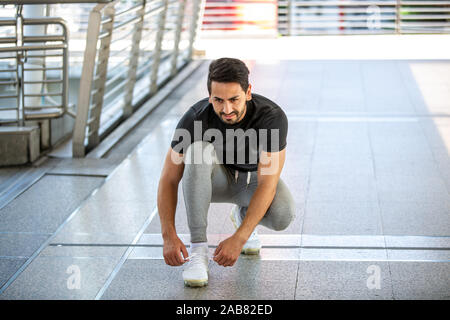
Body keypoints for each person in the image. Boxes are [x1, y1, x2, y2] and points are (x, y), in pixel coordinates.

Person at [157, 57, 295, 287]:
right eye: (218, 100)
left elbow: (268, 184)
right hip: (213, 182)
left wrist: (240, 238)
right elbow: (168, 179)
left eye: (234, 99)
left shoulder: (271, 117)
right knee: (198, 150)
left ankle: (242, 216)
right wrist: (168, 235)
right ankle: (198, 251)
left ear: (248, 92)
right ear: (209, 95)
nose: (227, 109)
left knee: (283, 216)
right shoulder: (195, 117)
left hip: (252, 183)